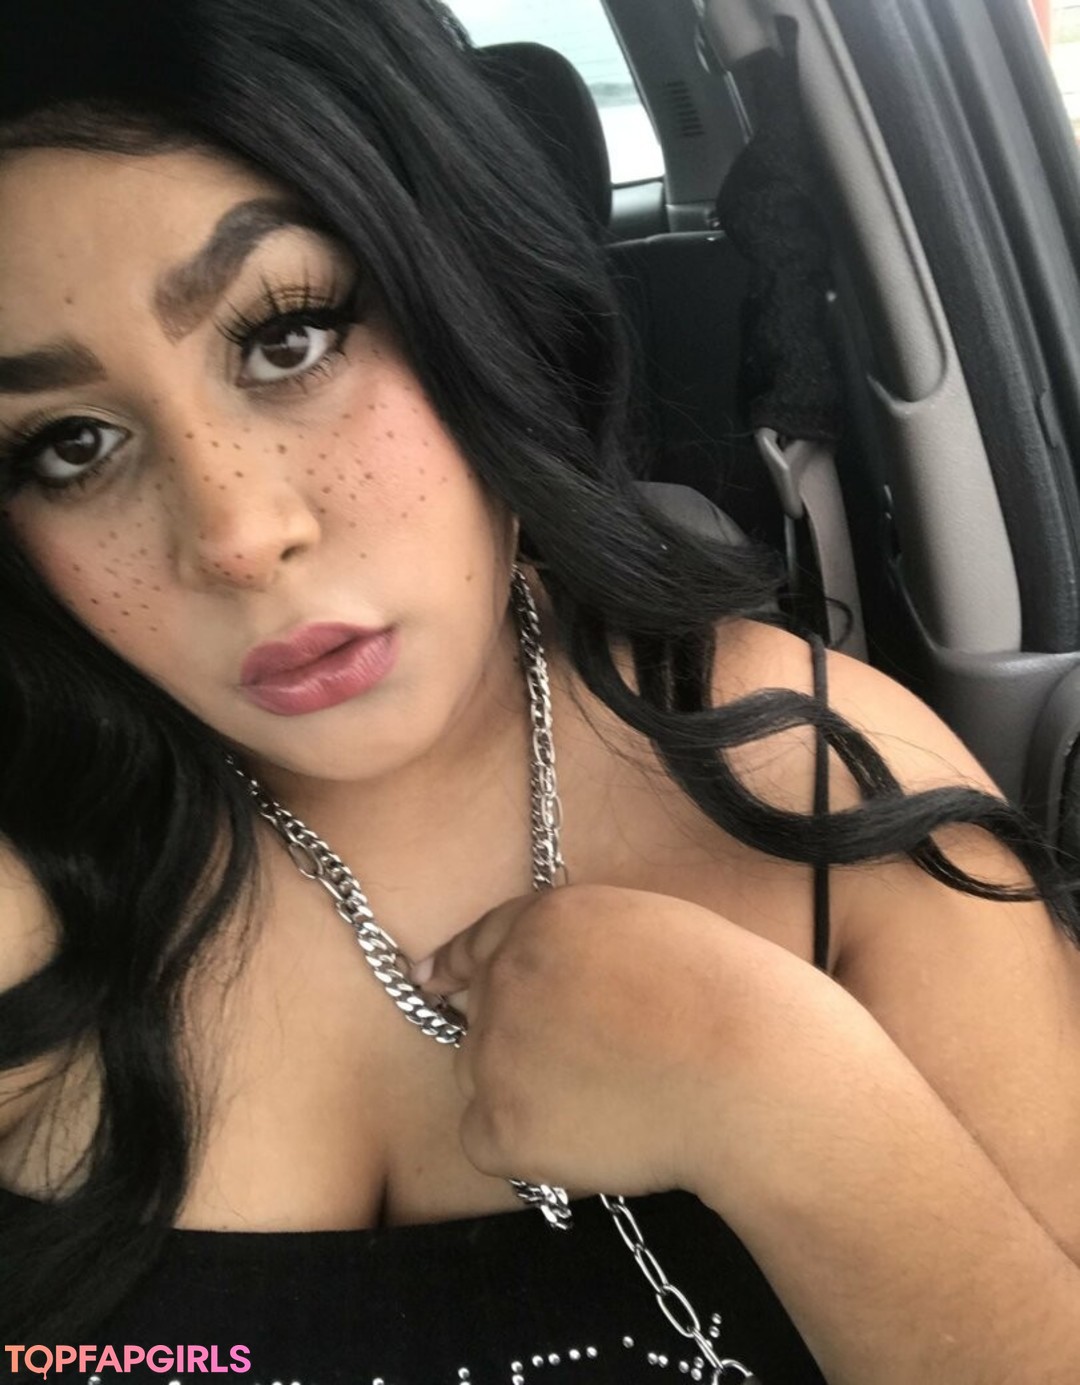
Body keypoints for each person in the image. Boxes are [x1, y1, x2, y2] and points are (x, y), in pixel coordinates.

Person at [1, 1, 1080, 1382]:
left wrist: (781, 1097)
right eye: (71, 443)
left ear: (471, 302)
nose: (235, 536)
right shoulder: (34, 881)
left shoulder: (817, 782)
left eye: (290, 339)